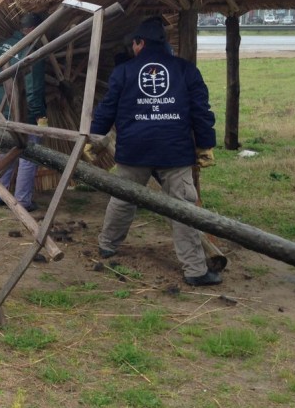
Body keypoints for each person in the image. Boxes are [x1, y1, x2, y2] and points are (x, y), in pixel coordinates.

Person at [90, 17, 221, 286]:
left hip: (134, 150)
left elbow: (106, 110)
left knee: (123, 199)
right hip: (175, 151)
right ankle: (195, 271)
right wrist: (205, 145)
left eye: (134, 44)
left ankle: (107, 245)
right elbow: (201, 112)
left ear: (140, 43)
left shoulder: (124, 72)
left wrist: (93, 139)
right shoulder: (186, 70)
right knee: (183, 208)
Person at [0, 12, 47, 213]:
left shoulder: (4, 46)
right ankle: (23, 200)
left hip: (1, 108)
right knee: (29, 154)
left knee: (7, 151)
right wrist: (39, 116)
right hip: (23, 112)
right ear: (33, 30)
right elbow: (34, 88)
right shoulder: (32, 52)